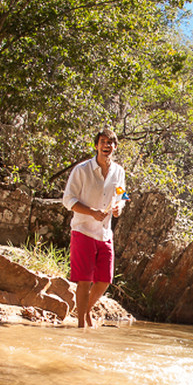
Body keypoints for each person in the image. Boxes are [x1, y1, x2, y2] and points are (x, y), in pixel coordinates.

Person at [63, 128, 127, 328]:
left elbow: (122, 195)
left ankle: (85, 310)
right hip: (82, 230)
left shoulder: (119, 171)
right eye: (103, 142)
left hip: (105, 233)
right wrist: (91, 212)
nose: (107, 145)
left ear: (115, 147)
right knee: (84, 280)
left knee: (105, 280)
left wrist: (119, 207)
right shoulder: (81, 170)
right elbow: (68, 200)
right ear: (96, 145)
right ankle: (81, 326)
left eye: (110, 142)